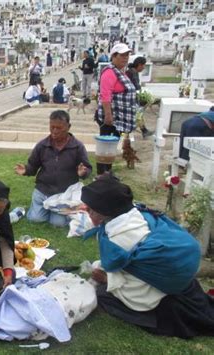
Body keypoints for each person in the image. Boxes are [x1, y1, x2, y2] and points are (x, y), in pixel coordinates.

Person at [81, 177, 214, 339]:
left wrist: (107, 280)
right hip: (178, 277)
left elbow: (122, 273)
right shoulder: (136, 213)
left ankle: (153, 317)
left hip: (158, 289)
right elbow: (135, 261)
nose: (88, 213)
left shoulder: (119, 238)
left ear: (105, 211)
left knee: (102, 295)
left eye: (91, 210)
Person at [15, 110, 92, 227]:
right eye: (52, 127)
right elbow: (33, 166)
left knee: (58, 223)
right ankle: (34, 209)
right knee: (36, 219)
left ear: (68, 127)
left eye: (59, 128)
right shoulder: (42, 145)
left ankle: (57, 211)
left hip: (64, 194)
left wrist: (83, 173)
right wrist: (26, 170)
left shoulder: (77, 147)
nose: (54, 131)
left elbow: (87, 168)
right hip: (43, 190)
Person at [94, 43, 137, 176]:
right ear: (114, 56)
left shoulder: (120, 72)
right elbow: (105, 95)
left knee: (112, 145)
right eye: (122, 55)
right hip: (110, 117)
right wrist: (108, 115)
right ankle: (102, 173)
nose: (125, 58)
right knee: (105, 145)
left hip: (119, 117)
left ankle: (108, 171)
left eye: (127, 55)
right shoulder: (109, 72)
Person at [126, 56, 153, 139]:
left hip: (132, 97)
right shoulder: (132, 72)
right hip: (130, 97)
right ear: (139, 65)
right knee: (137, 115)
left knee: (138, 115)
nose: (144, 67)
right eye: (143, 65)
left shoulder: (133, 72)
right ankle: (142, 131)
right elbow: (136, 86)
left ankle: (144, 130)